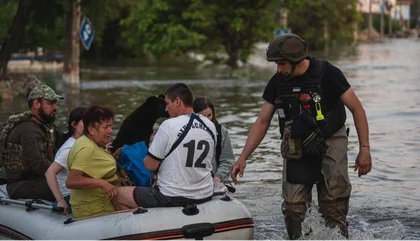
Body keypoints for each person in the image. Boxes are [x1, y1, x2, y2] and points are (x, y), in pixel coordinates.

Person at [231, 33, 372, 240]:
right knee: (293, 208)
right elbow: (262, 121)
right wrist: (243, 157)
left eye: (281, 63)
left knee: (334, 204)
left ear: (296, 60)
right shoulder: (278, 82)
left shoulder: (329, 74)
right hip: (296, 144)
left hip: (331, 139)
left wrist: (365, 149)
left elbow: (357, 109)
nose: (278, 69)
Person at [113, 83, 217, 209]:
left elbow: (150, 165)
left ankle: (142, 226)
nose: (166, 109)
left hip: (171, 195)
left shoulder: (168, 125)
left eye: (167, 104)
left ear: (177, 101)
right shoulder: (210, 125)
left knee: (117, 194)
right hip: (204, 193)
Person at [0, 84, 63, 201]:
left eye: (55, 103)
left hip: (36, 179)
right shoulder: (29, 130)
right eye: (50, 103)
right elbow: (38, 163)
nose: (55, 107)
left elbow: (62, 142)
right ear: (36, 104)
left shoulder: (44, 125)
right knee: (64, 186)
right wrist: (64, 176)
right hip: (20, 184)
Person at [66, 106, 120, 218]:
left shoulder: (92, 142)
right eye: (106, 127)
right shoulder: (86, 149)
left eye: (110, 126)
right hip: (95, 211)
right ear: (91, 130)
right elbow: (71, 181)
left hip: (103, 203)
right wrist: (102, 183)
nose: (110, 130)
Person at [45, 107, 86, 214]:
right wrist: (60, 201)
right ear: (74, 125)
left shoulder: (83, 144)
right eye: (86, 122)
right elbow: (50, 172)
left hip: (80, 193)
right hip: (69, 196)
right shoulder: (69, 148)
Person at [192, 96, 234, 183]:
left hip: (215, 181)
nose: (207, 120)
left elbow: (227, 160)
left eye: (209, 115)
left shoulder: (222, 132)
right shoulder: (187, 133)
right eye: (203, 116)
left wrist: (218, 178)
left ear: (213, 114)